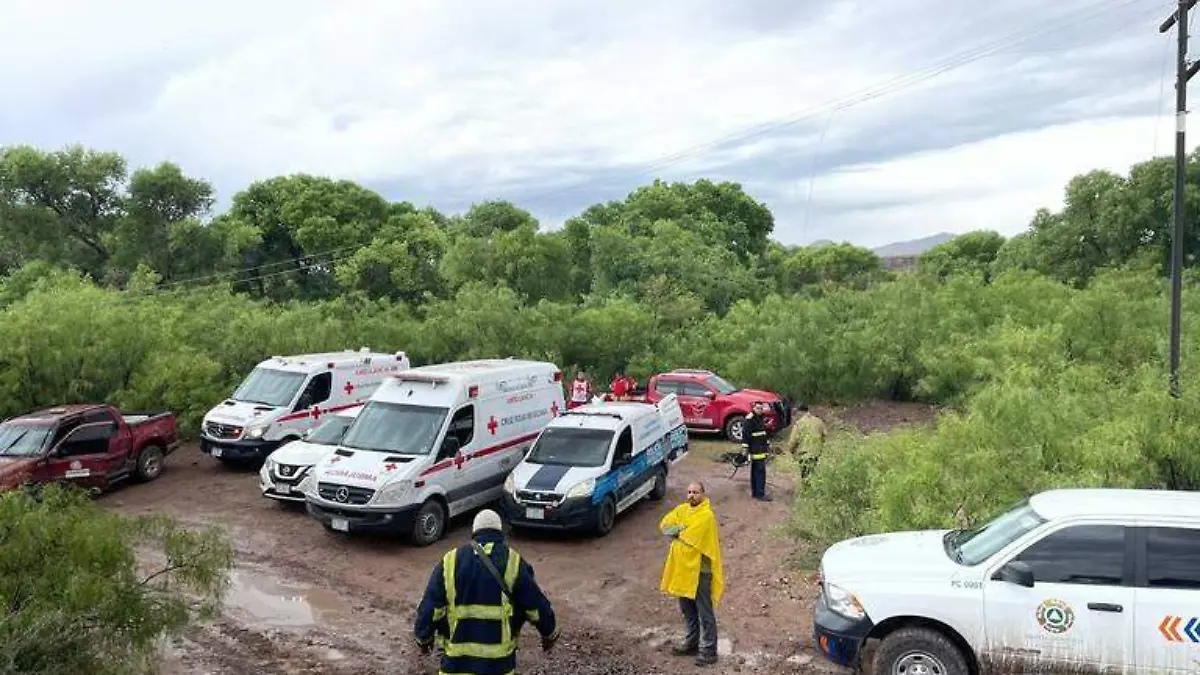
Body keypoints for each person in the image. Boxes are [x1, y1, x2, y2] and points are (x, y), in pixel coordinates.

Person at [413, 509, 560, 674]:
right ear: (500, 533)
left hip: (456, 665)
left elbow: (430, 607)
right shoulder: (513, 562)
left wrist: (423, 638)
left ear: (474, 532)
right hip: (499, 666)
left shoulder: (450, 561)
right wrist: (550, 633)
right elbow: (535, 606)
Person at [659, 481, 724, 667]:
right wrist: (679, 529)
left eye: (695, 492)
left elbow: (690, 537)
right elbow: (664, 525)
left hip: (700, 573)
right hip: (683, 571)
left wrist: (679, 530)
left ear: (703, 494)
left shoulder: (706, 516)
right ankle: (691, 643)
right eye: (688, 492)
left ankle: (710, 650)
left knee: (705, 612)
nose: (691, 495)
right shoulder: (682, 510)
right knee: (688, 610)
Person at [783, 403, 826, 478]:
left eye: (796, 413)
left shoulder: (799, 424)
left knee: (805, 475)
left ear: (800, 412)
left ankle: (806, 489)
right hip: (815, 453)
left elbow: (794, 440)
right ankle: (813, 488)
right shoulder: (818, 421)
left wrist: (791, 450)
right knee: (812, 472)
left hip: (803, 454)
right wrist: (820, 447)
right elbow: (824, 435)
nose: (796, 416)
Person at [742, 401, 771, 501]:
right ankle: (760, 494)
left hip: (762, 448)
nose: (760, 410)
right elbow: (745, 436)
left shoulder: (761, 418)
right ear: (753, 408)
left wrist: (767, 444)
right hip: (755, 449)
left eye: (761, 408)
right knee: (760, 472)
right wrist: (745, 450)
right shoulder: (750, 419)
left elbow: (764, 433)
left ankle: (756, 492)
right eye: (758, 408)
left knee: (756, 471)